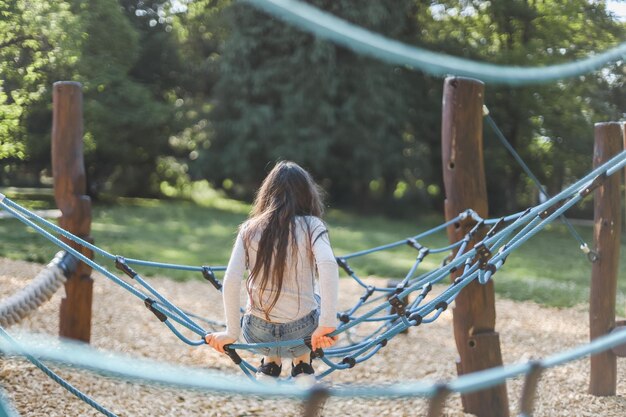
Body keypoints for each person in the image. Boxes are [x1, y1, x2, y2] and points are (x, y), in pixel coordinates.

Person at [205, 161, 339, 381]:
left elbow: (231, 279)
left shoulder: (250, 228)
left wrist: (231, 332)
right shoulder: (313, 225)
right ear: (307, 195)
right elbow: (328, 265)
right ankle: (302, 364)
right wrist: (327, 323)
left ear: (267, 193)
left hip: (258, 333)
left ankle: (270, 364)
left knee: (261, 310)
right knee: (314, 296)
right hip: (302, 332)